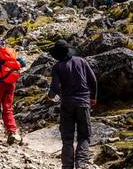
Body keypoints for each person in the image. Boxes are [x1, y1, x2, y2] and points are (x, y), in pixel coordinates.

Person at [48, 40, 98, 169]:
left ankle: (67, 165)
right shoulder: (81, 61)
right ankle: (82, 164)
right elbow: (93, 80)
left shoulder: (57, 67)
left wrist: (51, 95)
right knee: (84, 135)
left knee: (67, 138)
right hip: (83, 102)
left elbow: (55, 87)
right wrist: (92, 97)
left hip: (67, 104)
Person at [0, 36, 26, 144]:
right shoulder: (8, 52)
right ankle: (12, 132)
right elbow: (22, 62)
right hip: (11, 82)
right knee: (8, 108)